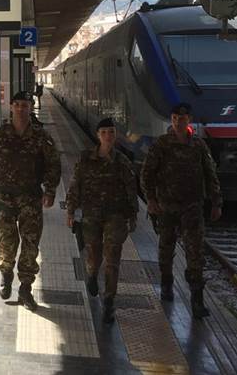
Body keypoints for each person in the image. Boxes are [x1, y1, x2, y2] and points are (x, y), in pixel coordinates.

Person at [0, 91, 62, 311]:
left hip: (31, 198)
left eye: (25, 105)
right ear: (11, 107)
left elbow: (53, 164)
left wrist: (50, 190)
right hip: (5, 198)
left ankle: (25, 288)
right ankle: (6, 274)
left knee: (31, 243)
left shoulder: (41, 137)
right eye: (18, 105)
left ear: (31, 107)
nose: (21, 109)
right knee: (7, 240)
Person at [142, 102, 222, 319]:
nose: (178, 121)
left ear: (189, 120)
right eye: (175, 118)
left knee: (195, 252)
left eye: (183, 118)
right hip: (166, 206)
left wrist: (216, 202)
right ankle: (166, 283)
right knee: (165, 250)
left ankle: (197, 300)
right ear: (172, 119)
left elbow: (210, 174)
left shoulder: (198, 146)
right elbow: (147, 173)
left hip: (192, 207)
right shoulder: (161, 144)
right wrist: (150, 199)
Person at [66, 117, 138, 324]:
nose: (108, 136)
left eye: (112, 132)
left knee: (112, 260)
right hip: (91, 216)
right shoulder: (86, 159)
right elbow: (75, 185)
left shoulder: (122, 162)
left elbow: (131, 190)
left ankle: (109, 301)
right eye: (104, 132)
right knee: (94, 256)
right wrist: (70, 211)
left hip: (115, 217)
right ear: (98, 136)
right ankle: (91, 274)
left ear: (115, 136)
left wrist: (132, 216)